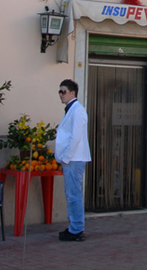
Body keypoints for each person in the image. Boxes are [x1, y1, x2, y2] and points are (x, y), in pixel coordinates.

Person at [55, 79, 91, 242]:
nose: (61, 95)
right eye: (60, 91)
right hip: (72, 159)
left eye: (63, 91)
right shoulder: (72, 110)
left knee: (74, 194)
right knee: (71, 194)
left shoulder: (77, 110)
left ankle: (76, 229)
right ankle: (74, 226)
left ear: (72, 93)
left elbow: (76, 136)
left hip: (74, 159)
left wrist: (66, 158)